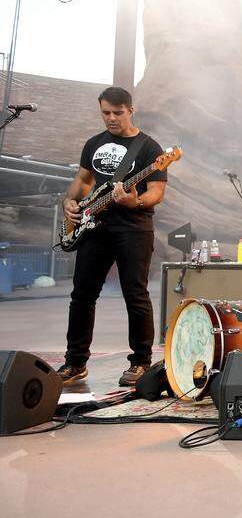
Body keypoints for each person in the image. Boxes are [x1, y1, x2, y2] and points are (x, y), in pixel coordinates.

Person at [57, 87, 169, 387]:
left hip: (133, 228)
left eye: (117, 113)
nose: (111, 118)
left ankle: (140, 362)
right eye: (105, 112)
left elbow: (156, 191)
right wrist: (69, 202)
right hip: (94, 227)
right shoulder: (94, 143)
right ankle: (75, 362)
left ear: (130, 110)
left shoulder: (149, 148)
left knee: (135, 293)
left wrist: (136, 201)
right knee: (82, 294)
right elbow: (83, 180)